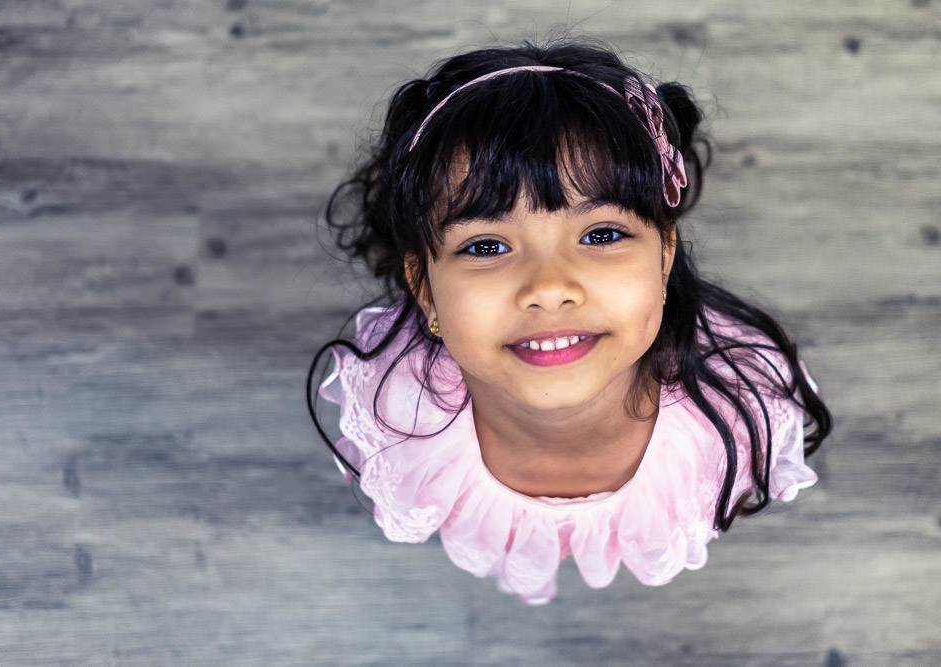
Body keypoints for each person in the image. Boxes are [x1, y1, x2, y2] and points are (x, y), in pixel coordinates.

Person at [305, 37, 832, 606]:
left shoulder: (734, 408)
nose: (549, 287)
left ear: (663, 257)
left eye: (601, 235)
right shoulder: (400, 416)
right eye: (485, 246)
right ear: (424, 291)